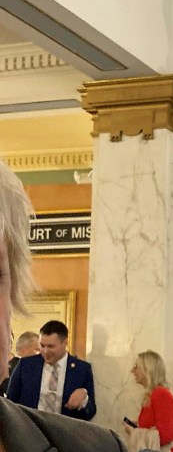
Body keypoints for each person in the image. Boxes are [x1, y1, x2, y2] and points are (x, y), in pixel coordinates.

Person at [0, 160, 125, 450]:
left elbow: (90, 409)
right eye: (42, 345)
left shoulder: (99, 447)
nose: (45, 350)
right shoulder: (27, 367)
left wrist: (83, 402)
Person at [6, 319, 97, 421]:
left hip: (64, 432)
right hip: (31, 431)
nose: (45, 351)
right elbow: (10, 402)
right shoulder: (26, 365)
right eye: (42, 345)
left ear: (65, 342)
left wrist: (84, 400)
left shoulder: (82, 370)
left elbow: (91, 412)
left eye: (51, 346)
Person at [125, 350, 173, 452]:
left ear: (148, 370)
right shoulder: (152, 395)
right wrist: (140, 427)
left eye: (136, 367)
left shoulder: (161, 394)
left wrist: (135, 432)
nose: (132, 371)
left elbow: (165, 436)